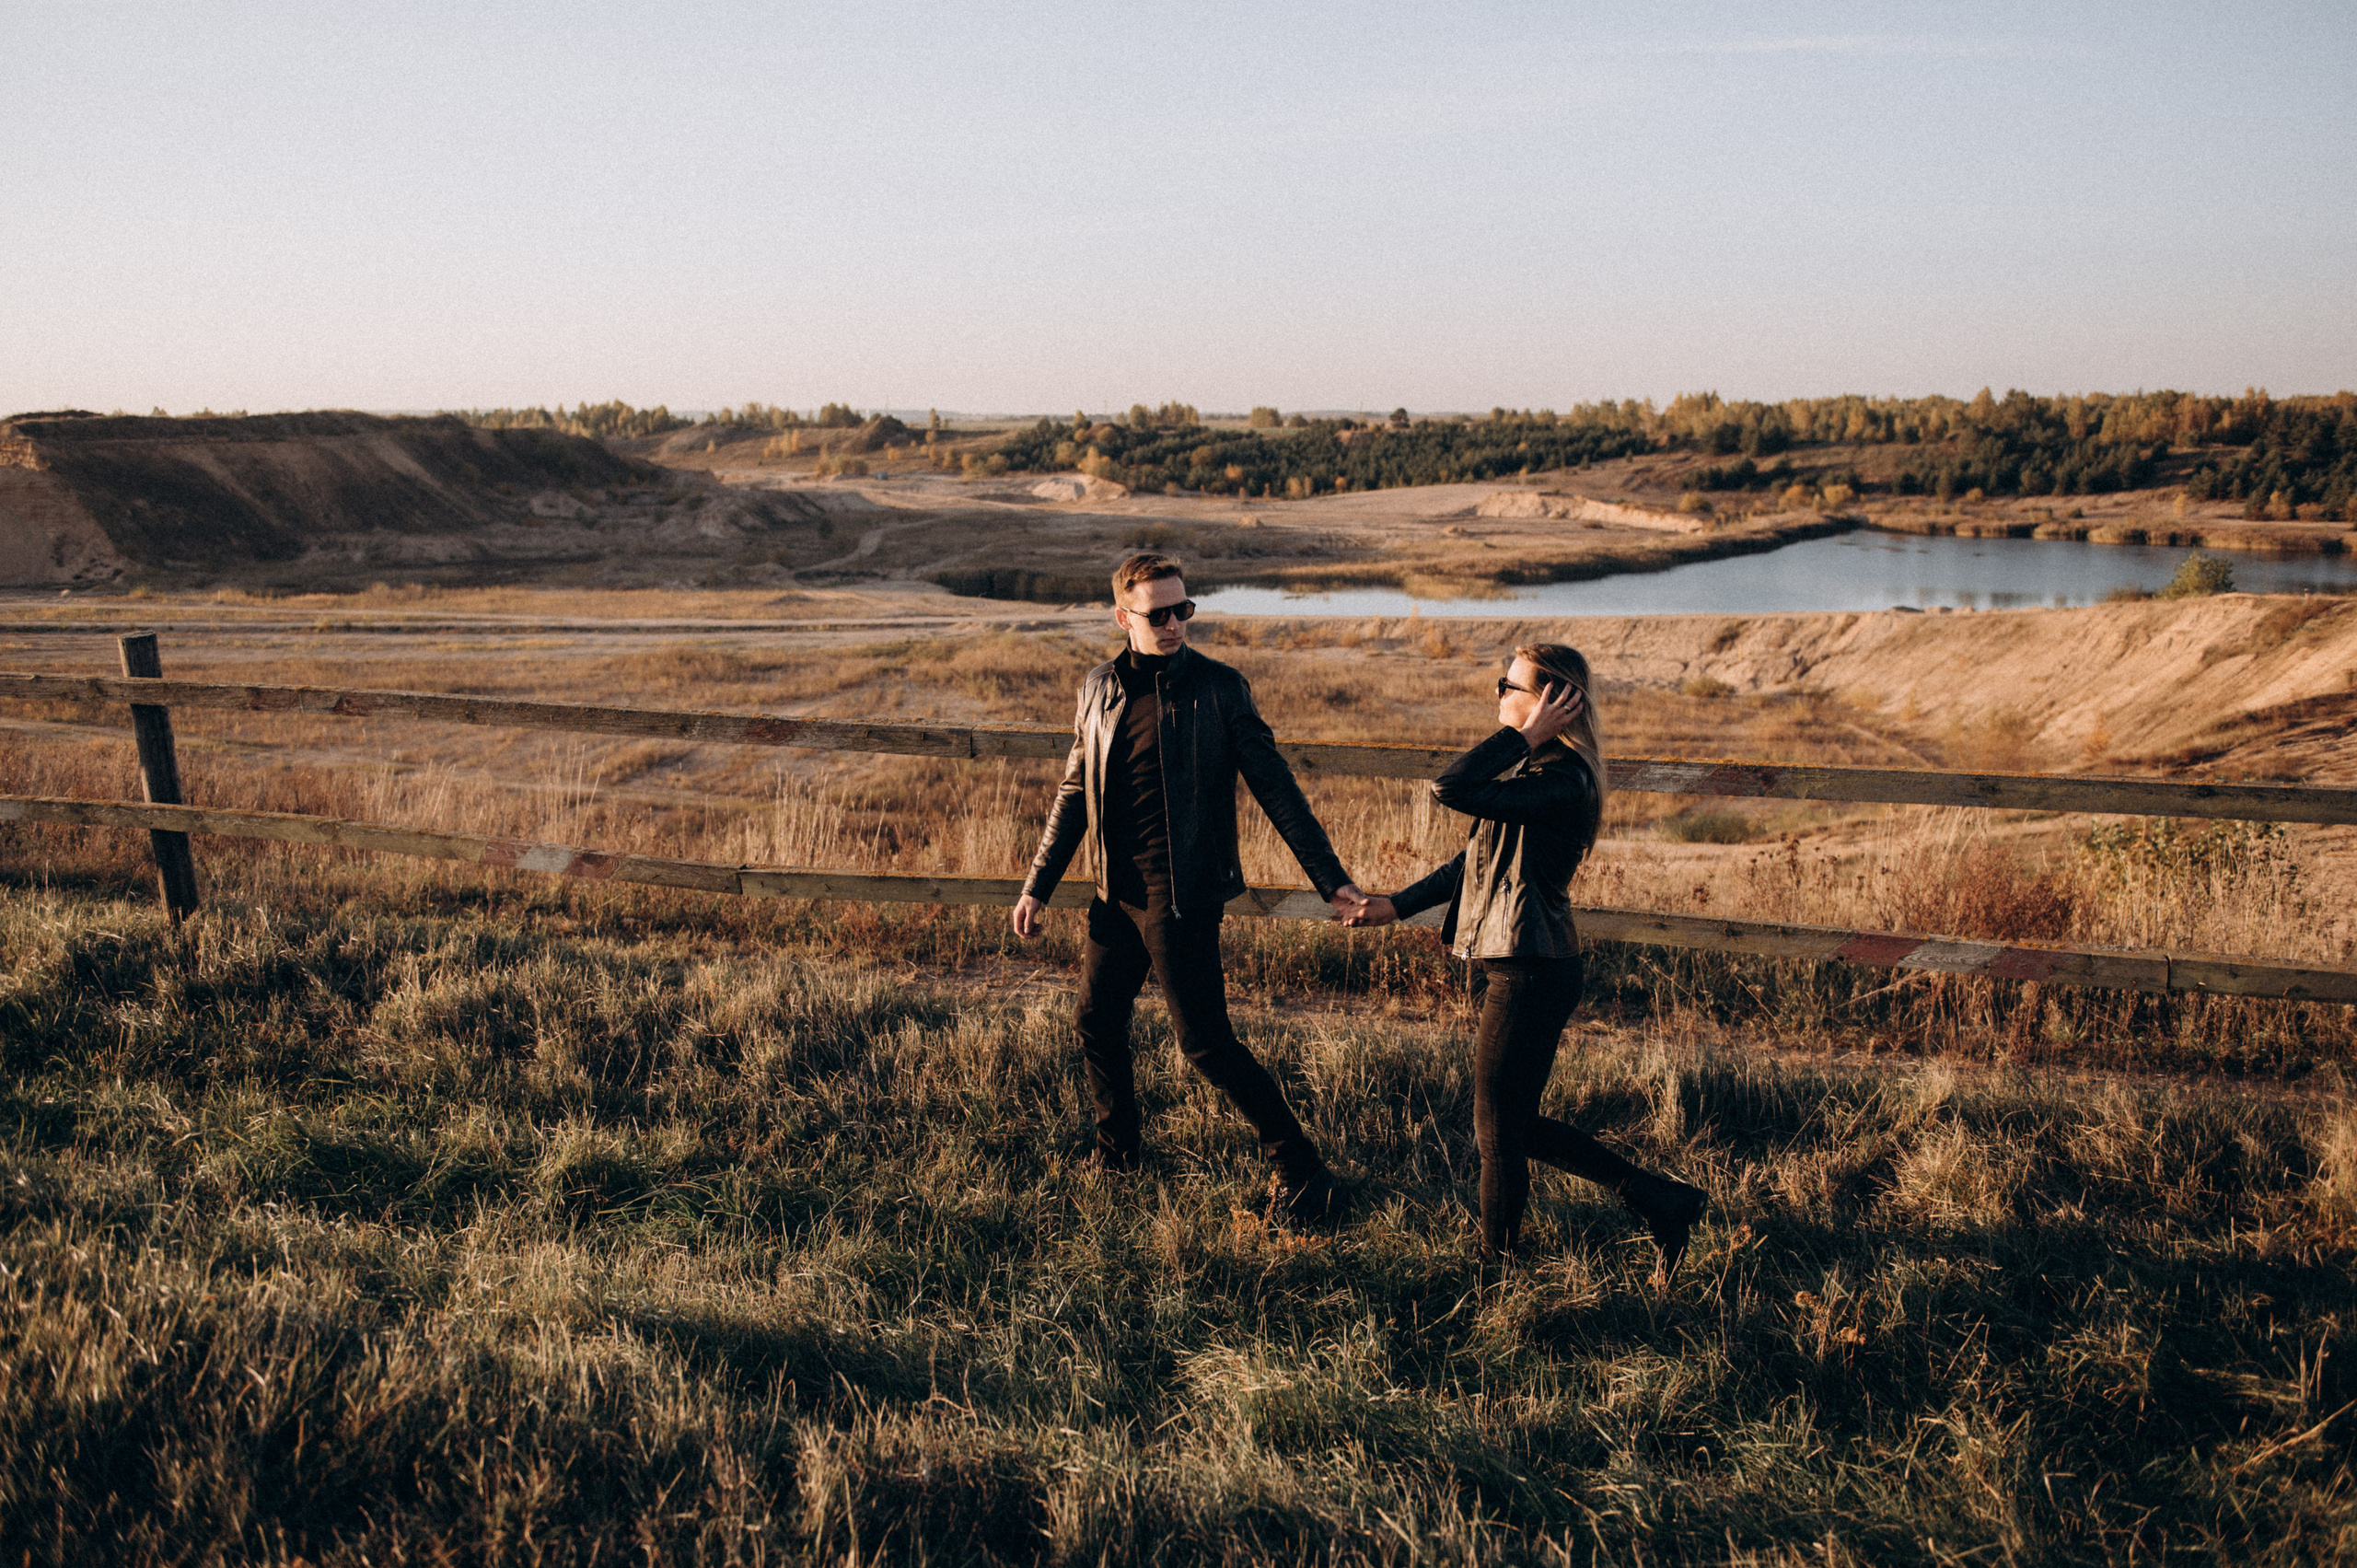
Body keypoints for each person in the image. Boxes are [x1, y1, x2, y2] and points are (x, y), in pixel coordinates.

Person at [1012, 552, 1367, 1229]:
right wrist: (1038, 885)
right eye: (1160, 614)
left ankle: (1304, 1172)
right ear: (1124, 618)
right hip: (1115, 892)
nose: (1176, 624)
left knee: (1204, 1043)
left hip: (1182, 898)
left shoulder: (1220, 689)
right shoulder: (1098, 688)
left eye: (1185, 609)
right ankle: (1118, 1155)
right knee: (1096, 1019)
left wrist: (1332, 881)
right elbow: (1074, 792)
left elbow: (1277, 790)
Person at [1342, 644, 1708, 1283]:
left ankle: (1498, 1270)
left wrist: (1523, 735)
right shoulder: (1536, 773)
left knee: (1497, 1133)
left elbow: (1449, 787)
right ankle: (1660, 1200)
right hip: (1524, 962)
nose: (1498, 694)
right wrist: (1395, 906)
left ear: (1552, 703)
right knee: (1512, 1125)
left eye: (1508, 685)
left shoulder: (1562, 781)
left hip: (1531, 969)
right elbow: (1473, 860)